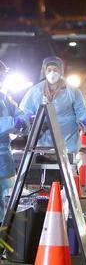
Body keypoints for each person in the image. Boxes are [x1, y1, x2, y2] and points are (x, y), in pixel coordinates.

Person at [21, 56, 86, 154]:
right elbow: (25, 109)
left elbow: (82, 109)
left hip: (67, 141)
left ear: (61, 71)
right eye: (49, 70)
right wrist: (28, 119)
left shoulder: (72, 91)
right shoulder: (35, 91)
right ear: (44, 71)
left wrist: (84, 120)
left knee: (65, 167)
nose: (52, 73)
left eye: (55, 70)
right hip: (42, 141)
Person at [0, 61, 26, 217]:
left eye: (3, 76)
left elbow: (19, 114)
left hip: (4, 158)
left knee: (5, 200)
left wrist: (24, 121)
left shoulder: (4, 98)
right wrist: (13, 123)